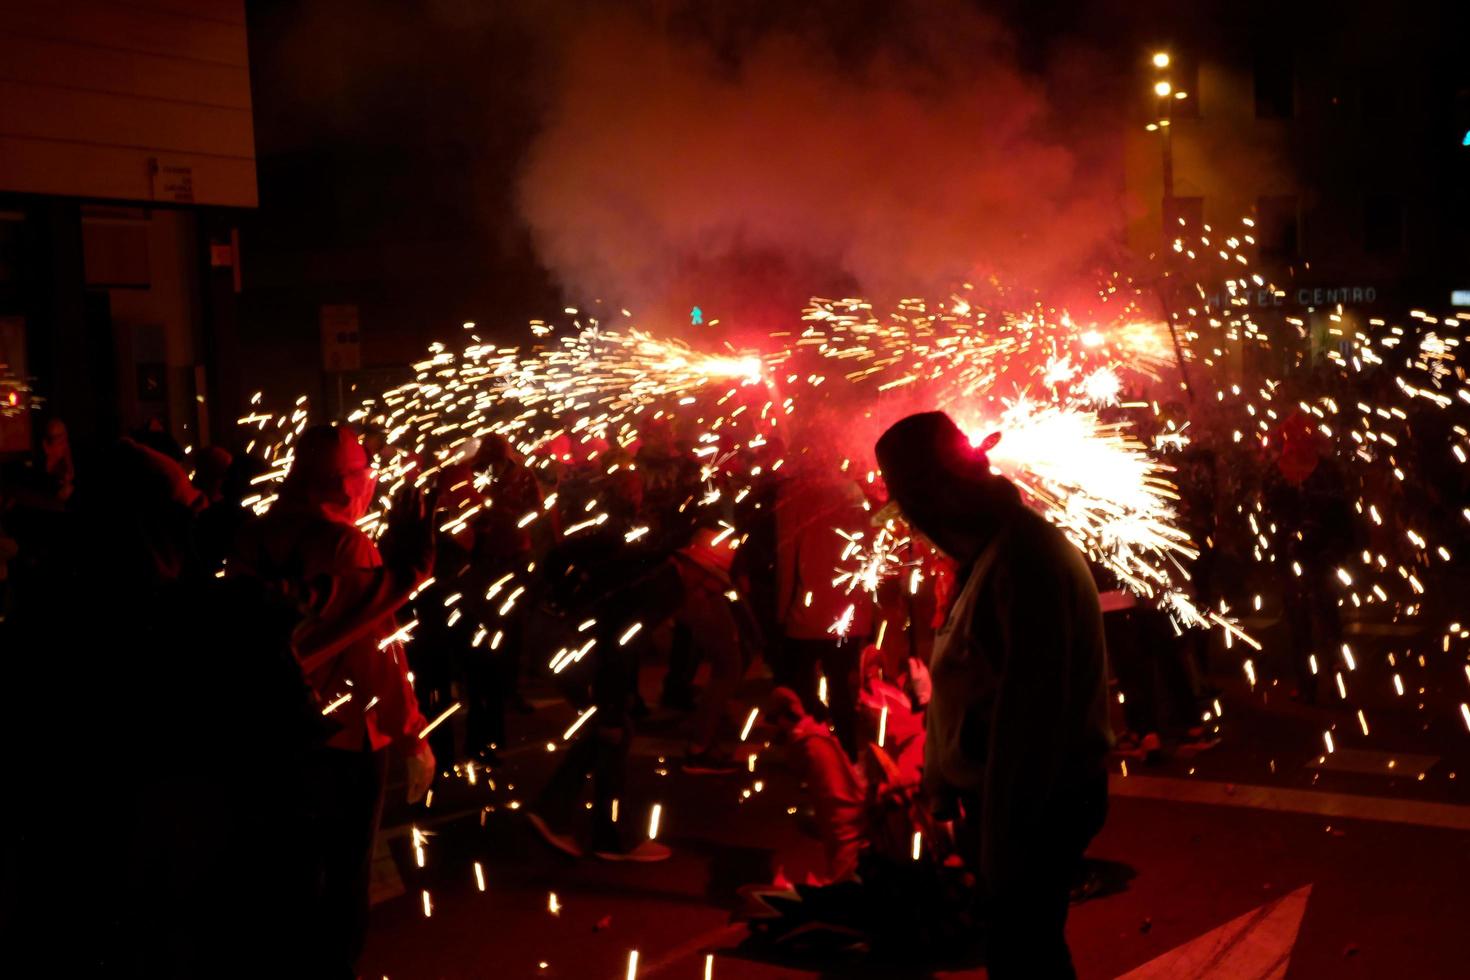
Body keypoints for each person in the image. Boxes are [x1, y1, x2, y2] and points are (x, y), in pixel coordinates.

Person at [875, 411, 1111, 980]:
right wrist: (937, 788)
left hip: (1035, 808)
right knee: (1025, 953)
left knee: (1025, 958)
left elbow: (1028, 727)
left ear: (937, 497)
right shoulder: (991, 553)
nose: (913, 525)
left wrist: (1003, 851)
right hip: (1009, 808)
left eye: (911, 507)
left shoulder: (1024, 562)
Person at [230, 423, 437, 977]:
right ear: (343, 483)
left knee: (288, 870)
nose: (370, 481)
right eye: (363, 471)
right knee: (344, 877)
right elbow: (379, 656)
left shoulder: (258, 533)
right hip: (345, 739)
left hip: (273, 725)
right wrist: (413, 731)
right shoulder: (347, 544)